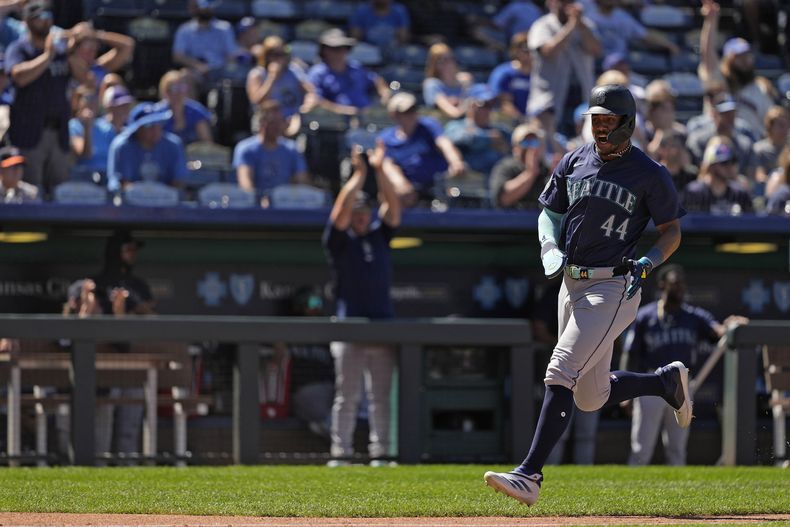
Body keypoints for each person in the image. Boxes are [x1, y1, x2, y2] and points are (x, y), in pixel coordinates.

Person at [483, 84, 688, 506]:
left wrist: (648, 262)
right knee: (590, 397)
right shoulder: (573, 160)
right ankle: (664, 382)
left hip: (614, 284)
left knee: (560, 369)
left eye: (607, 121)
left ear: (627, 123)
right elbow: (549, 214)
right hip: (571, 283)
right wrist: (549, 246)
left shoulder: (649, 172)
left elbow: (671, 233)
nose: (599, 127)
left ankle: (529, 474)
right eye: (595, 119)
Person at [322, 142, 401, 466]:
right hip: (349, 326)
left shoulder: (379, 236)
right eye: (357, 212)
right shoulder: (341, 241)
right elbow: (338, 214)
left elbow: (393, 207)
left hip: (382, 326)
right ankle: (341, 454)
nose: (360, 216)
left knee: (380, 398)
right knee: (347, 396)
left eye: (364, 211)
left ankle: (380, 453)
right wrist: (359, 174)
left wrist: (380, 170)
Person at [622, 265, 746, 466]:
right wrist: (628, 393)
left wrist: (731, 325)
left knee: (677, 449)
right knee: (641, 449)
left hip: (681, 386)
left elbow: (716, 331)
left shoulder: (692, 316)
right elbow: (631, 353)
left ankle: (677, 494)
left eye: (682, 285)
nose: (679, 289)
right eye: (674, 284)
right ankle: (629, 493)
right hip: (650, 385)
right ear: (663, 285)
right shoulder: (646, 315)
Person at [5, 0, 77, 197]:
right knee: (31, 192)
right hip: (29, 134)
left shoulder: (62, 52)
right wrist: (47, 56)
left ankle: (64, 229)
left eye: (48, 17)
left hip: (58, 133)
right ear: (27, 22)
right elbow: (19, 77)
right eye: (39, 18)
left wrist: (72, 50)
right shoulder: (19, 49)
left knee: (62, 191)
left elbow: (83, 77)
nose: (45, 22)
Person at [698, 0, 775, 138]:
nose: (745, 60)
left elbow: (771, 120)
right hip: (721, 140)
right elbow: (707, 54)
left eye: (747, 55)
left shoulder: (760, 88)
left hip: (751, 145)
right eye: (739, 56)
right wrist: (711, 20)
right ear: (729, 60)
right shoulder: (719, 80)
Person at [377, 91, 465, 206]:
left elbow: (444, 143)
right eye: (406, 112)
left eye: (413, 110)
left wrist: (456, 162)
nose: (412, 115)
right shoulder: (386, 138)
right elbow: (387, 165)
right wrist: (401, 183)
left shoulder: (428, 125)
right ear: (394, 115)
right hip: (409, 189)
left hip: (437, 184)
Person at [526, 0, 602, 131]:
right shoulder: (542, 25)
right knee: (551, 144)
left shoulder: (586, 25)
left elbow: (596, 50)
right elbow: (548, 51)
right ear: (553, 3)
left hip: (581, 97)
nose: (567, 4)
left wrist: (581, 26)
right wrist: (571, 26)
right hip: (550, 100)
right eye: (563, 1)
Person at [233, 99, 310, 204]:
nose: (278, 127)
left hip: (286, 206)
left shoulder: (292, 149)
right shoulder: (245, 149)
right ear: (262, 123)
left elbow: (301, 183)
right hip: (255, 209)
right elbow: (246, 184)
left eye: (280, 121)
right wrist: (260, 201)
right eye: (273, 122)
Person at [106, 102, 188, 193]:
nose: (155, 129)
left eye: (158, 123)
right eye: (149, 125)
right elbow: (120, 184)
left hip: (167, 202)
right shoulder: (122, 146)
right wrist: (143, 194)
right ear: (137, 129)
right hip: (130, 204)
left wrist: (159, 195)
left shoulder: (173, 145)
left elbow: (179, 182)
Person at [308, 29, 390, 118]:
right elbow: (315, 99)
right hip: (335, 122)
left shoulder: (356, 67)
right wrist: (344, 110)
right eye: (334, 49)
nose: (339, 52)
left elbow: (376, 79)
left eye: (343, 48)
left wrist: (384, 93)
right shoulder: (317, 73)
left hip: (366, 118)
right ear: (324, 50)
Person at [246, 36, 314, 138]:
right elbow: (257, 101)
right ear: (266, 56)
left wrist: (307, 106)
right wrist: (272, 77)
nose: (279, 59)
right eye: (275, 55)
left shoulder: (294, 71)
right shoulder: (257, 74)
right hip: (267, 122)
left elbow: (310, 91)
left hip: (293, 121)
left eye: (282, 54)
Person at [444, 84, 509, 177]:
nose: (488, 109)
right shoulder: (455, 126)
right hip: (465, 185)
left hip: (495, 184)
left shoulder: (501, 131)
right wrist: (489, 139)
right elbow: (463, 139)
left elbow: (515, 146)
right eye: (484, 104)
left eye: (491, 104)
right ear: (471, 105)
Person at [69, 84, 133, 176]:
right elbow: (86, 154)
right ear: (79, 103)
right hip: (86, 176)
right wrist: (87, 127)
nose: (92, 102)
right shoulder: (74, 125)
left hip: (108, 176)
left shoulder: (105, 127)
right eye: (88, 98)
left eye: (95, 98)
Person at [172, 0, 239, 88]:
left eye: (208, 6)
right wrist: (198, 65)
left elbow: (231, 55)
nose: (206, 9)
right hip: (196, 72)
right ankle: (192, 102)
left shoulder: (224, 28)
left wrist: (229, 71)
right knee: (185, 76)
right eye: (202, 7)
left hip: (220, 72)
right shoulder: (184, 30)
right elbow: (178, 55)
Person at [681, 136, 753, 215]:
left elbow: (751, 222)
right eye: (724, 163)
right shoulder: (694, 193)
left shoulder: (740, 194)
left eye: (732, 161)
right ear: (711, 166)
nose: (729, 166)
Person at [588, 0, 679, 59]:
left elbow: (645, 34)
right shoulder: (589, 17)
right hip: (595, 61)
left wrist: (668, 44)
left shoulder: (621, 16)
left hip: (619, 62)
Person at [67, 22, 134, 90]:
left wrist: (96, 34)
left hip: (96, 100)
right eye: (87, 50)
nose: (91, 54)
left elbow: (128, 45)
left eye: (94, 50)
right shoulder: (65, 65)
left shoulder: (98, 68)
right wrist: (74, 35)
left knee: (113, 79)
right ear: (76, 49)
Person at [155, 69, 213, 146]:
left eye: (182, 88)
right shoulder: (156, 114)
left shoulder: (196, 111)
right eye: (174, 88)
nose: (179, 93)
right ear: (165, 91)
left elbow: (207, 142)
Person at [422, 42, 473, 121]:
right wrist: (466, 93)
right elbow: (454, 113)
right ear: (435, 65)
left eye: (451, 58)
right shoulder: (432, 84)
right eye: (444, 60)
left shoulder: (464, 81)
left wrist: (467, 86)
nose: (450, 63)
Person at [488, 31, 532, 120]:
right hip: (508, 121)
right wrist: (522, 120)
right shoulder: (504, 72)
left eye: (533, 49)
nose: (529, 53)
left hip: (534, 121)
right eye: (525, 48)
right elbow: (503, 102)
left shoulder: (540, 76)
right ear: (515, 50)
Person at [749, 106, 789, 198]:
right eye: (780, 125)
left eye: (787, 125)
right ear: (770, 127)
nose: (785, 129)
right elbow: (759, 176)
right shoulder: (759, 149)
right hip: (766, 193)